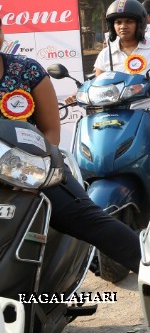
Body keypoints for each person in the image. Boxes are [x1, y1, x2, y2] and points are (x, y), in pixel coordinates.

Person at [0, 18, 142, 276]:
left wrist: (30, 174)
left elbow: (51, 130)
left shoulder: (27, 70)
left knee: (88, 219)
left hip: (31, 169)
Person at [94, 0, 150, 183]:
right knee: (101, 159)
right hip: (120, 116)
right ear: (111, 26)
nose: (123, 26)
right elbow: (98, 82)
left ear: (140, 24)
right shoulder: (105, 53)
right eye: (118, 22)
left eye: (128, 21)